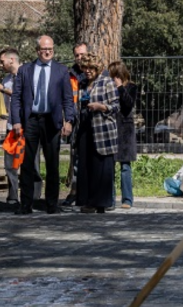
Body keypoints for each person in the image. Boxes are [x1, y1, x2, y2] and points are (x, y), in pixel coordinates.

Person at [10, 35, 75, 214]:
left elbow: (68, 99)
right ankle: (26, 204)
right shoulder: (25, 70)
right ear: (37, 50)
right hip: (31, 120)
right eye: (44, 49)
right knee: (28, 163)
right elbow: (16, 97)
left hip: (51, 121)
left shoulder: (61, 71)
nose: (47, 52)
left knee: (52, 163)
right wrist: (16, 120)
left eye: (51, 49)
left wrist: (68, 120)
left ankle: (52, 204)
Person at [74, 53, 119, 214]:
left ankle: (102, 202)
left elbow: (116, 106)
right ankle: (88, 201)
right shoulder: (82, 84)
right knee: (86, 165)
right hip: (85, 128)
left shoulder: (107, 82)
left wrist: (101, 107)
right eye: (84, 68)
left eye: (90, 68)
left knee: (101, 166)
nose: (87, 71)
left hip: (103, 129)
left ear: (97, 68)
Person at [0, 47, 22, 206]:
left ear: (12, 60)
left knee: (30, 163)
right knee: (10, 164)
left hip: (27, 125)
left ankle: (33, 198)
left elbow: (24, 97)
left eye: (2, 62)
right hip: (11, 125)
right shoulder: (6, 80)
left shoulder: (26, 74)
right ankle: (13, 196)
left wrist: (4, 90)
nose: (0, 65)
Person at [62, 42, 89, 208]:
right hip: (76, 121)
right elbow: (67, 100)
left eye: (82, 55)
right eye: (77, 55)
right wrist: (68, 120)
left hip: (91, 121)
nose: (80, 58)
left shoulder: (96, 73)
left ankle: (88, 193)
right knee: (76, 159)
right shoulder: (69, 74)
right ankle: (74, 191)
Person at [108, 60, 138, 209]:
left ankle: (127, 199)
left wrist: (120, 87)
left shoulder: (131, 87)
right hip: (111, 128)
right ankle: (110, 199)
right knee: (110, 165)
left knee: (125, 166)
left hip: (125, 130)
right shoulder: (108, 87)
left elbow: (127, 105)